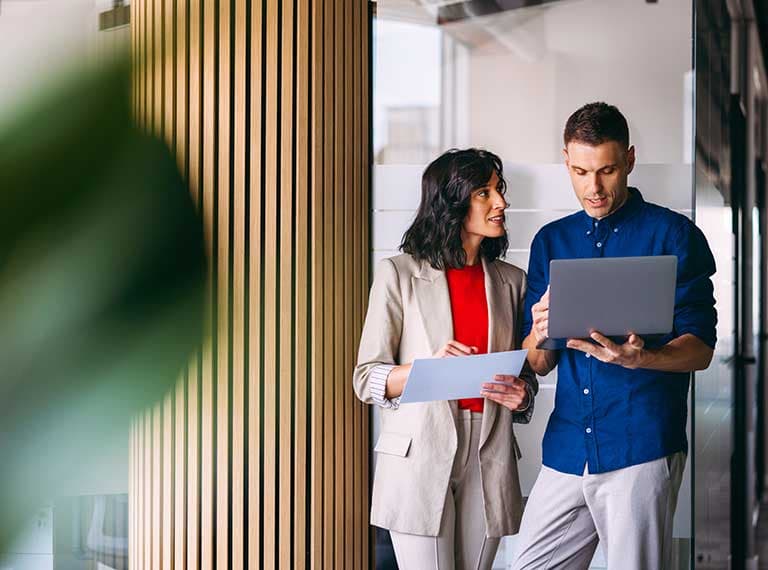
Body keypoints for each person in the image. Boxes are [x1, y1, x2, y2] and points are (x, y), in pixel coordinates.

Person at [511, 102, 717, 570]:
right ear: (566, 161)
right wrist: (539, 334)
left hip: (640, 444)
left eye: (606, 170)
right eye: (581, 171)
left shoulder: (674, 235)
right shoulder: (550, 241)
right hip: (566, 447)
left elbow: (701, 349)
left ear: (629, 159)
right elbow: (539, 364)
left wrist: (641, 358)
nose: (594, 187)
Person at [353, 148, 538, 570]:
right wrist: (425, 372)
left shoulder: (512, 281)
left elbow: (523, 375)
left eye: (499, 190)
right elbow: (366, 379)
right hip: (420, 451)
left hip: (489, 453)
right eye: (484, 193)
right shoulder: (398, 274)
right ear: (453, 202)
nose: (501, 203)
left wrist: (522, 396)